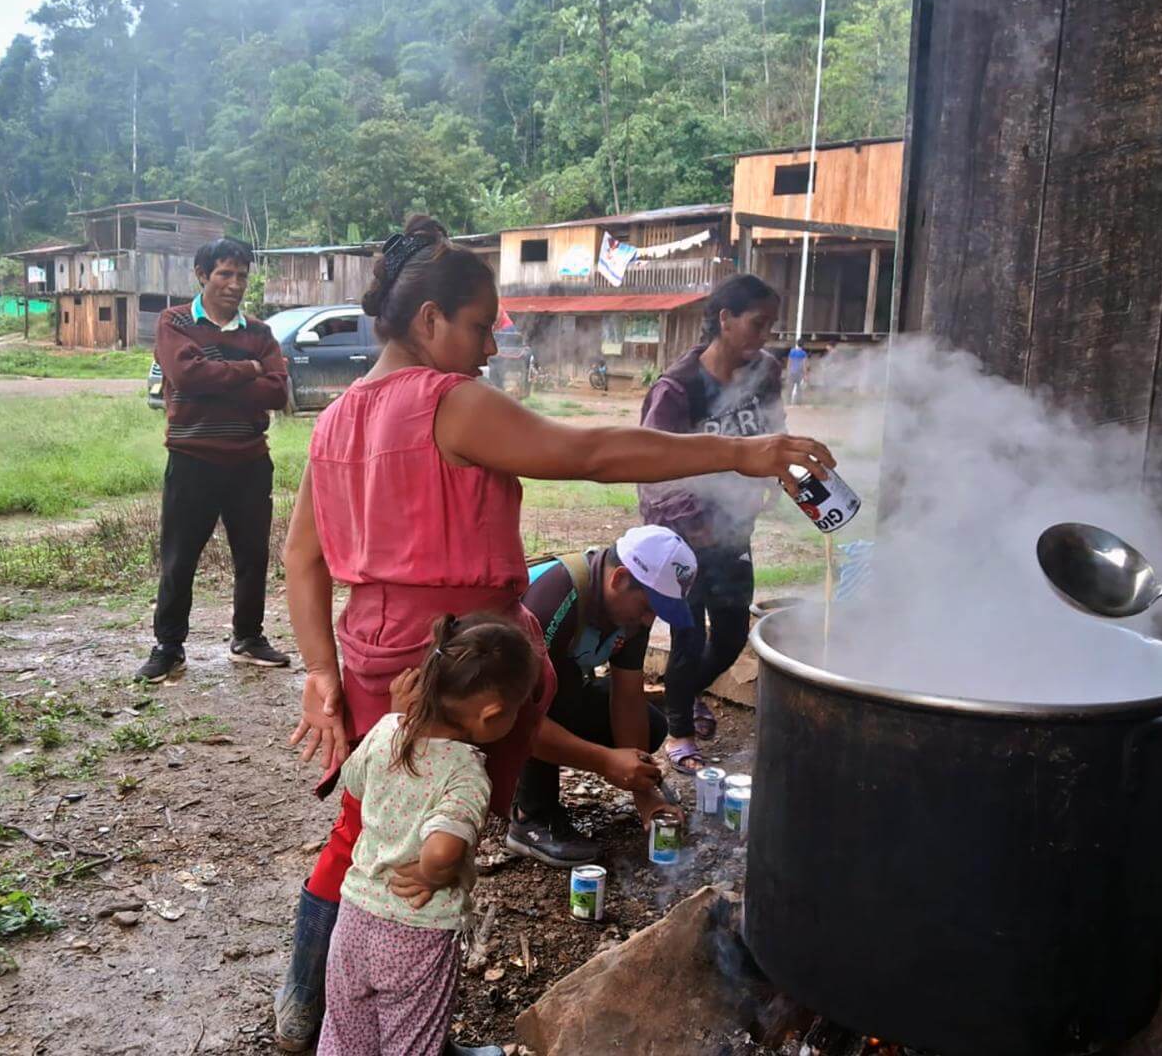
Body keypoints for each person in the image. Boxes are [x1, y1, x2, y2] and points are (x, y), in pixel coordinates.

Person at [274, 215, 833, 1052]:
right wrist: (743, 454)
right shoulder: (445, 403)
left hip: (371, 659)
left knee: (366, 833)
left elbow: (303, 560)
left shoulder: (337, 418)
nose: (489, 346)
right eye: (477, 325)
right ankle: (395, 1025)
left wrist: (322, 670)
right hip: (459, 667)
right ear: (428, 321)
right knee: (433, 851)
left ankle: (316, 1010)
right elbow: (593, 451)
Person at [319, 612, 539, 1056]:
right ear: (493, 714)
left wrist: (395, 721)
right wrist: (431, 872)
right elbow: (442, 851)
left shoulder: (386, 730)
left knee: (345, 1035)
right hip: (415, 934)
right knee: (412, 1042)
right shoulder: (466, 772)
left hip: (355, 918)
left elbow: (356, 784)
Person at [638, 274, 787, 773]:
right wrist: (692, 526)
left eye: (770, 325)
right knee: (687, 637)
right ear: (724, 319)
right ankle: (678, 730)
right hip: (681, 537)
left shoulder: (763, 372)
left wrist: (778, 475)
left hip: (733, 530)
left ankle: (683, 696)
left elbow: (772, 431)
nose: (764, 335)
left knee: (728, 635)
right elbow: (649, 467)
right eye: (757, 323)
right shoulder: (678, 388)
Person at [135, 238, 293, 684]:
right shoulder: (176, 322)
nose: (235, 284)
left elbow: (278, 392)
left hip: (249, 461)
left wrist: (216, 376)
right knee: (179, 558)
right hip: (192, 460)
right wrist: (247, 372)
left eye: (241, 275)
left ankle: (248, 637)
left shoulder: (260, 333)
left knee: (252, 556)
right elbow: (186, 374)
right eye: (225, 274)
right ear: (203, 275)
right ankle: (169, 646)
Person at [507, 525, 695, 866]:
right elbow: (519, 719)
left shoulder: (631, 611)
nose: (651, 619)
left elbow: (627, 697)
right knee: (552, 696)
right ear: (620, 578)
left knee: (652, 725)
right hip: (494, 708)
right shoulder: (553, 599)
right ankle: (529, 816)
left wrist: (643, 793)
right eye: (649, 606)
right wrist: (605, 761)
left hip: (547, 692)